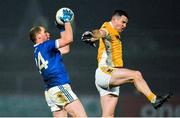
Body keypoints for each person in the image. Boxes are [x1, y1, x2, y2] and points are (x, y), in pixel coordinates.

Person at [81, 10, 172, 117]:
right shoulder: (108, 28)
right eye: (123, 22)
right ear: (114, 19)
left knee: (108, 116)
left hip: (111, 77)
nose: (124, 25)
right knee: (136, 75)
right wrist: (93, 35)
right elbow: (101, 32)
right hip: (105, 72)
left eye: (126, 23)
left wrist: (93, 37)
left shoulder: (115, 33)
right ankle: (154, 99)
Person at [29, 9, 87, 117]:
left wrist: (61, 29)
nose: (48, 33)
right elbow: (69, 39)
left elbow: (66, 49)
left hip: (50, 91)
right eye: (45, 32)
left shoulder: (38, 51)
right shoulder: (46, 46)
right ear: (39, 37)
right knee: (81, 116)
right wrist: (67, 21)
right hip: (59, 86)